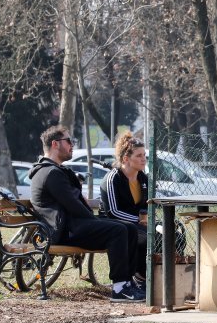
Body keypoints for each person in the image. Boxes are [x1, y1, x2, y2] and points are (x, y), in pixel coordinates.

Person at [30, 126, 142, 302]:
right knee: (118, 230)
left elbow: (74, 202)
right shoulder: (50, 173)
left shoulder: (55, 170)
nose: (72, 145)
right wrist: (95, 220)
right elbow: (73, 205)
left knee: (129, 228)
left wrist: (94, 219)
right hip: (64, 231)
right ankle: (119, 288)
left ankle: (128, 283)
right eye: (68, 141)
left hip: (72, 226)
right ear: (54, 144)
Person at [100, 132, 149, 292]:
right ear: (126, 159)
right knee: (146, 234)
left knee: (171, 232)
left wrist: (149, 219)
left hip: (139, 223)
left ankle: (149, 277)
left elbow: (147, 205)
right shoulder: (113, 178)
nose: (144, 159)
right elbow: (113, 211)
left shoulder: (143, 178)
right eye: (139, 155)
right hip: (116, 225)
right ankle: (139, 278)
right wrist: (138, 220)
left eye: (144, 155)